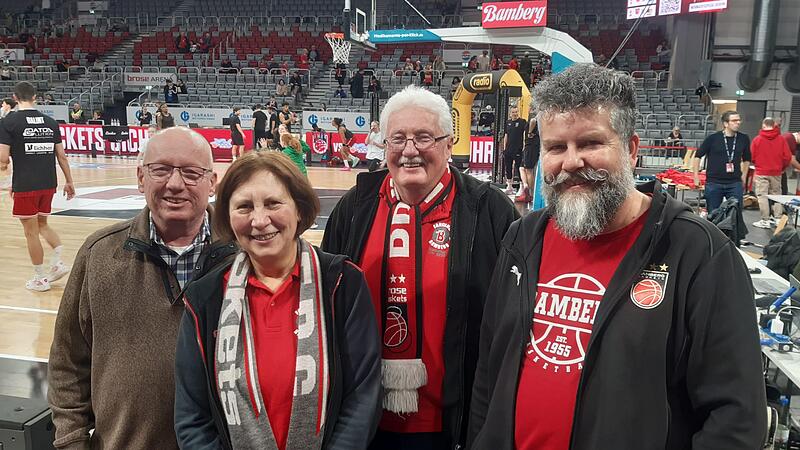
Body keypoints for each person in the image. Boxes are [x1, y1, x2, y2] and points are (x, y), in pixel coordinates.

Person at [468, 63, 768, 450]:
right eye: (556, 147)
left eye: (591, 143)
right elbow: (489, 373)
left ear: (630, 148)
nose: (571, 162)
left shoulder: (699, 252)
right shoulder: (523, 237)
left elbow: (736, 420)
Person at [322, 85, 519, 450]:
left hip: (453, 423)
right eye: (398, 138)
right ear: (384, 145)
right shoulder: (356, 207)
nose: (409, 150)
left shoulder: (489, 210)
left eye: (423, 137)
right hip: (363, 421)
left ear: (448, 144)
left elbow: (512, 318)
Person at [174, 151, 381, 449]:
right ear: (228, 218)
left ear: (299, 209)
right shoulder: (205, 297)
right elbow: (192, 417)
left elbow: (362, 398)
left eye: (273, 203)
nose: (259, 220)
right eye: (244, 207)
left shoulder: (342, 282)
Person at [48, 127, 237, 449]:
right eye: (161, 170)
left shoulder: (243, 256)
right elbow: (68, 361)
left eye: (191, 173)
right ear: (140, 177)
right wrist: (71, 441)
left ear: (212, 182)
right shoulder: (99, 254)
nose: (175, 184)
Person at [0, 81, 75, 292]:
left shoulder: (9, 122)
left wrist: (5, 172)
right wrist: (69, 181)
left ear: (15, 98)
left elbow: (3, 158)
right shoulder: (51, 122)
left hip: (26, 184)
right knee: (42, 224)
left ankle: (41, 279)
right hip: (49, 183)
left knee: (30, 233)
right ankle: (58, 261)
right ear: (35, 97)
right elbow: (62, 156)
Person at [692, 111, 751, 213]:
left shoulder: (743, 138)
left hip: (734, 182)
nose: (738, 122)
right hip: (714, 182)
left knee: (735, 214)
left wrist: (744, 176)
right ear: (725, 124)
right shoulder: (713, 138)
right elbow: (697, 156)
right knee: (713, 214)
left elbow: (747, 159)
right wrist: (696, 176)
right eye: (734, 120)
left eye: (739, 120)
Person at [751, 117, 798, 228]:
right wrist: (782, 168)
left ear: (763, 126)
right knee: (776, 195)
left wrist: (758, 165)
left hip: (762, 172)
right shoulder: (781, 139)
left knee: (762, 195)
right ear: (774, 125)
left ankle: (765, 220)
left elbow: (752, 156)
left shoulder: (757, 140)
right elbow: (787, 157)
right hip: (777, 172)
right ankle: (777, 218)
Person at [502, 106, 527, 195]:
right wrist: (504, 148)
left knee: (518, 168)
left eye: (516, 112)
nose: (515, 114)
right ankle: (509, 186)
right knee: (508, 167)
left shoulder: (522, 122)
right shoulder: (507, 123)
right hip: (508, 149)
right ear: (510, 113)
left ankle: (521, 187)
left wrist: (524, 146)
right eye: (513, 112)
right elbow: (506, 136)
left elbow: (525, 134)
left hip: (518, 149)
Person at [517, 116, 540, 203]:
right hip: (528, 147)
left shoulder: (534, 118)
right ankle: (526, 186)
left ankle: (531, 194)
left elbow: (533, 120)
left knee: (529, 170)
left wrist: (530, 132)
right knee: (521, 168)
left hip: (531, 147)